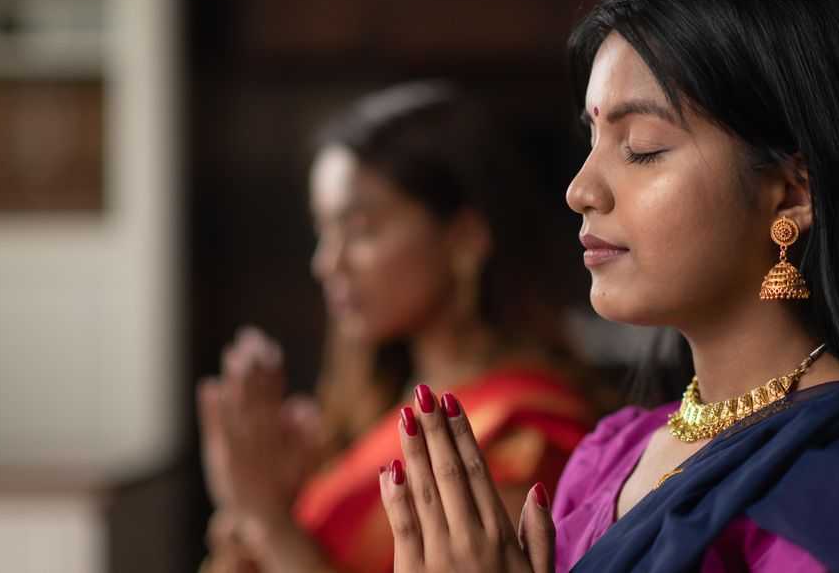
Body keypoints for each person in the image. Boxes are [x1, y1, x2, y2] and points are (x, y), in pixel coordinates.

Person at [374, 0, 839, 572]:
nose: (581, 189)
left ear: (790, 190)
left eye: (639, 146)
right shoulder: (608, 455)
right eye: (591, 138)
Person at [196, 82, 597, 573]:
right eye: (323, 230)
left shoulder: (527, 435)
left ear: (465, 236)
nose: (327, 263)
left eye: (360, 230)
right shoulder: (367, 411)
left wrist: (270, 522)